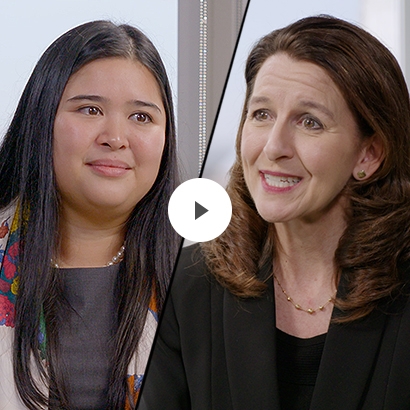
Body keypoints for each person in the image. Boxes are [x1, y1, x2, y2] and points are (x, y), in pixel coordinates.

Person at [137, 15, 410, 410]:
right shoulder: (184, 289)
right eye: (261, 114)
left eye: (310, 122)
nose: (274, 147)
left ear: (368, 154)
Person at [0, 20, 179, 409]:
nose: (115, 138)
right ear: (41, 119)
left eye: (141, 117)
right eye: (90, 109)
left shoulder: (203, 277)